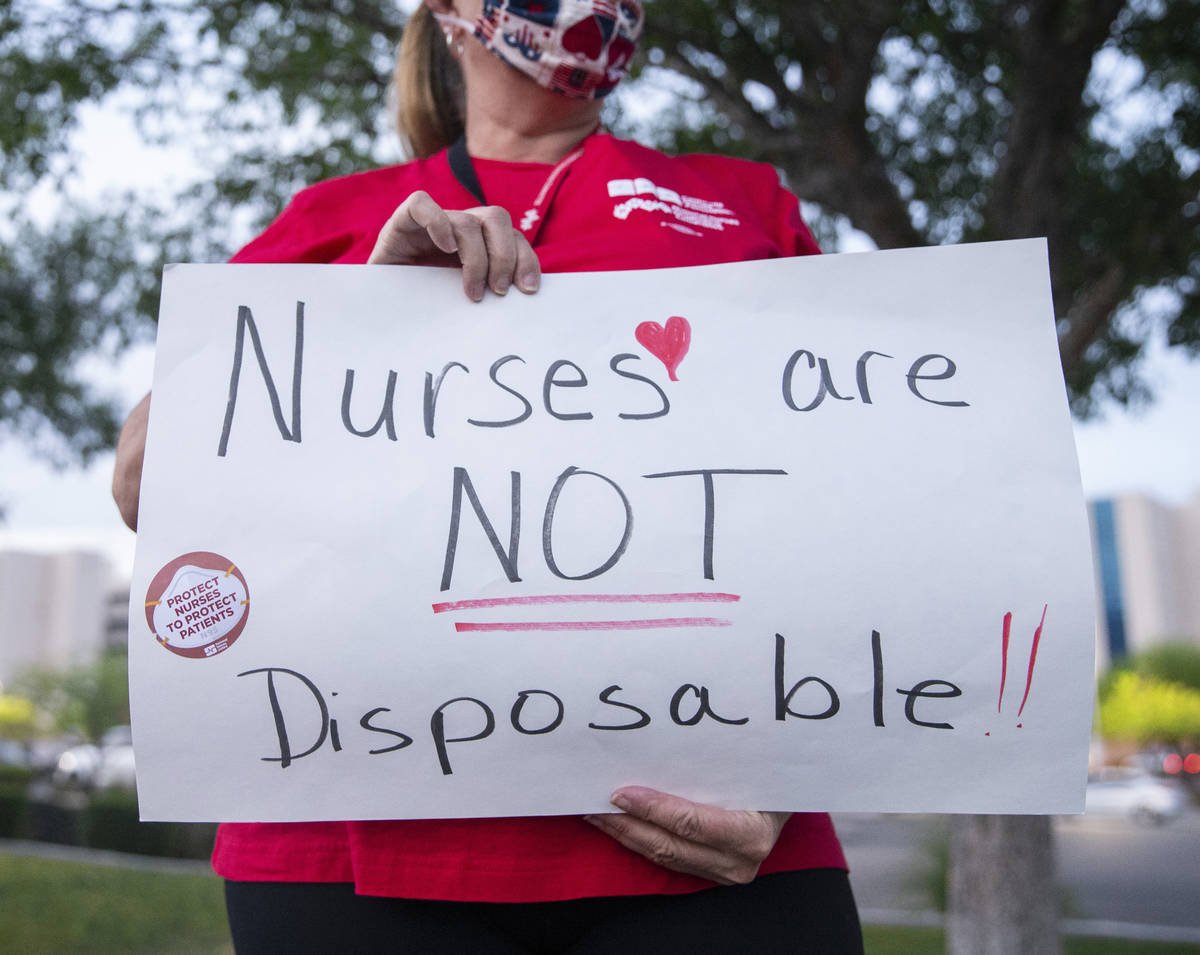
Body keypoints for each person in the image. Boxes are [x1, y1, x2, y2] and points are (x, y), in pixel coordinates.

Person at [112, 1, 863, 951]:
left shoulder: (746, 202)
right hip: (341, 847)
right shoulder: (332, 217)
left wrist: (796, 769)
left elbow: (854, 495)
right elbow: (145, 484)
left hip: (722, 840)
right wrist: (359, 317)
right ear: (450, 15)